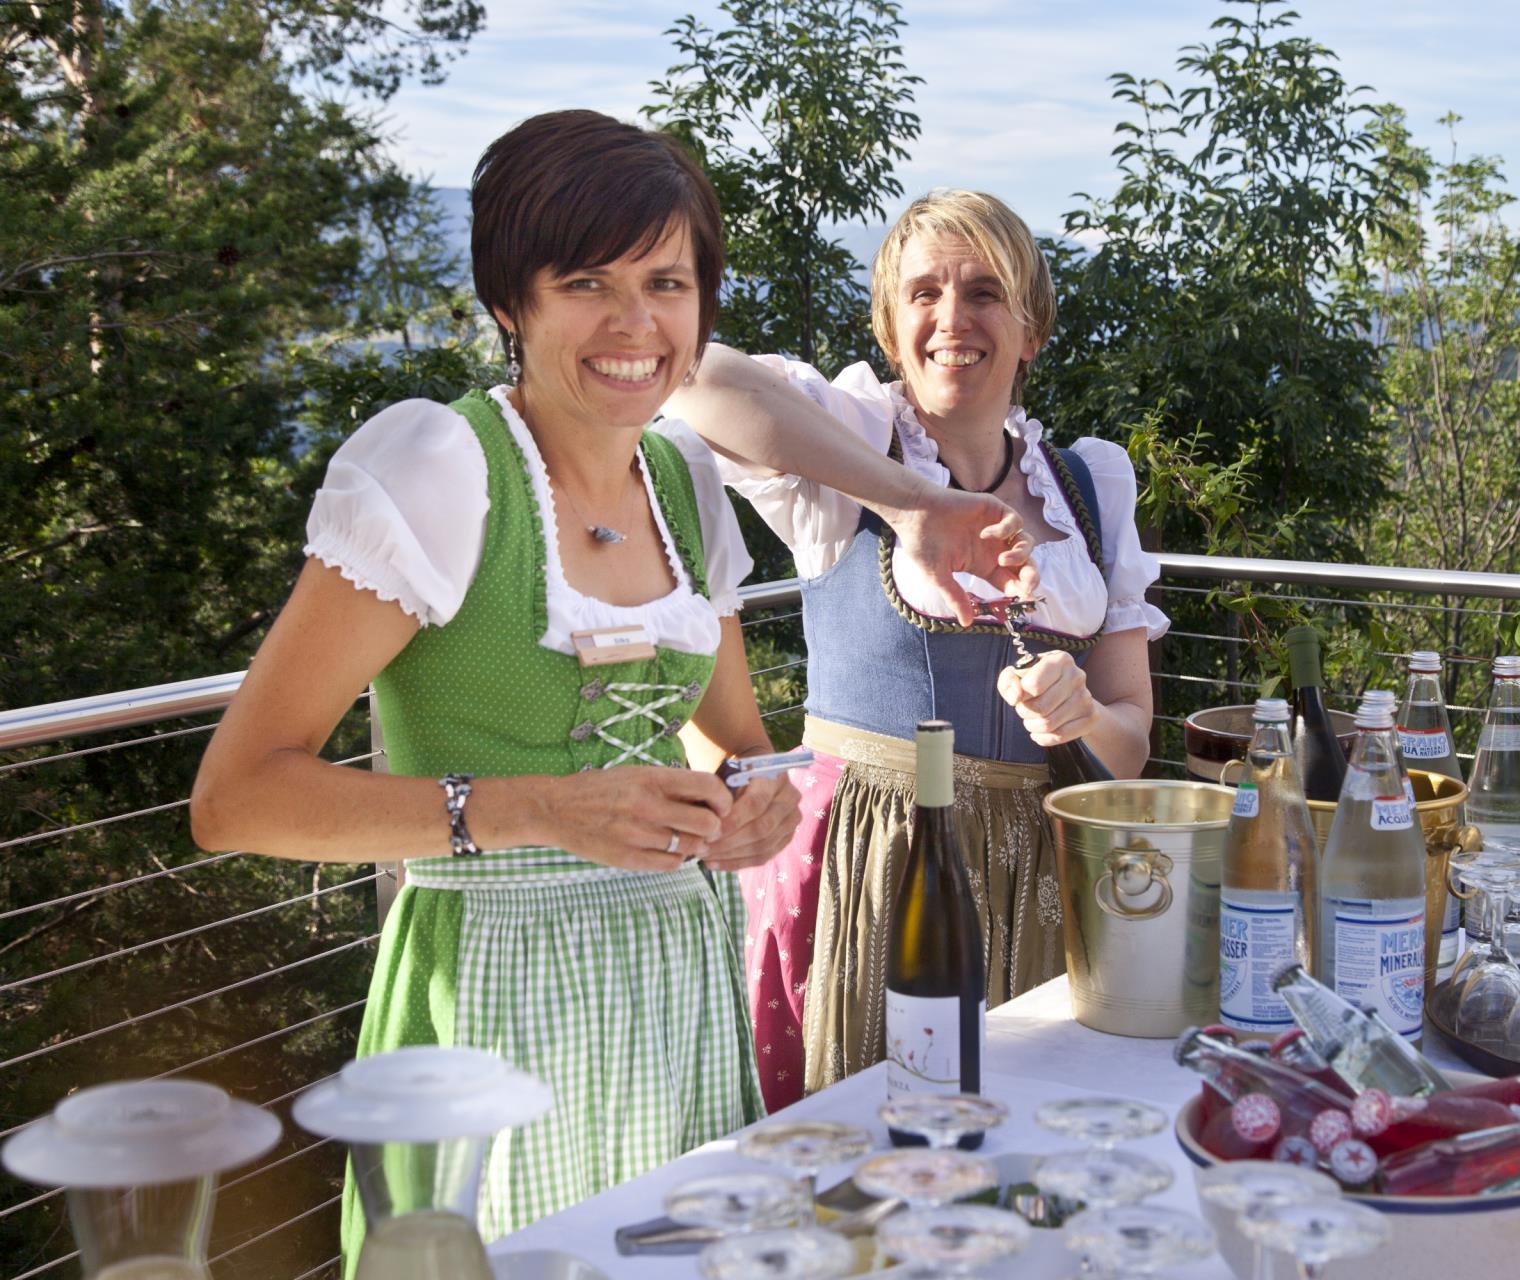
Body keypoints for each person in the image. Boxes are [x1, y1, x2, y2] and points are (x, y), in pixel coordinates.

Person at [188, 114, 1034, 1259]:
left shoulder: (684, 481)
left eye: (667, 281)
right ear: (510, 303)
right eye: (585, 280)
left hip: (677, 980)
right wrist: (529, 806)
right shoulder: (440, 467)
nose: (636, 323)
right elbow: (236, 797)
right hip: (490, 989)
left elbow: (733, 743)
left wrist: (751, 810)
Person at [666, 189, 1168, 1108]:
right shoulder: (851, 442)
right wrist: (911, 505)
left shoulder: (1091, 484)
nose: (952, 318)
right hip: (872, 861)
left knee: (1015, 1145)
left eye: (984, 292)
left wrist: (1085, 711)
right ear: (893, 334)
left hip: (1038, 874)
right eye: (923, 294)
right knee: (863, 1150)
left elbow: (1131, 739)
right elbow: (691, 376)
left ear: (1031, 331)